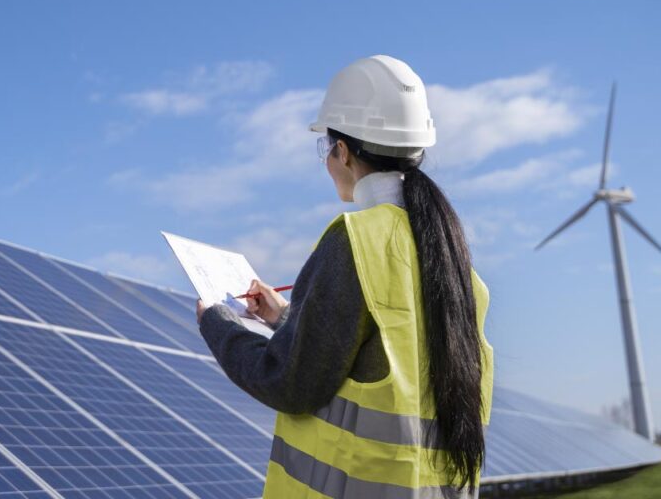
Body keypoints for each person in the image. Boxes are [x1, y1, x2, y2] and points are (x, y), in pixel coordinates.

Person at [195, 55, 494, 498]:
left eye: (327, 148)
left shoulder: (354, 241)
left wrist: (216, 323)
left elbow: (290, 382)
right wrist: (288, 319)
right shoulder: (455, 266)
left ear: (343, 151)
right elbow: (381, 356)